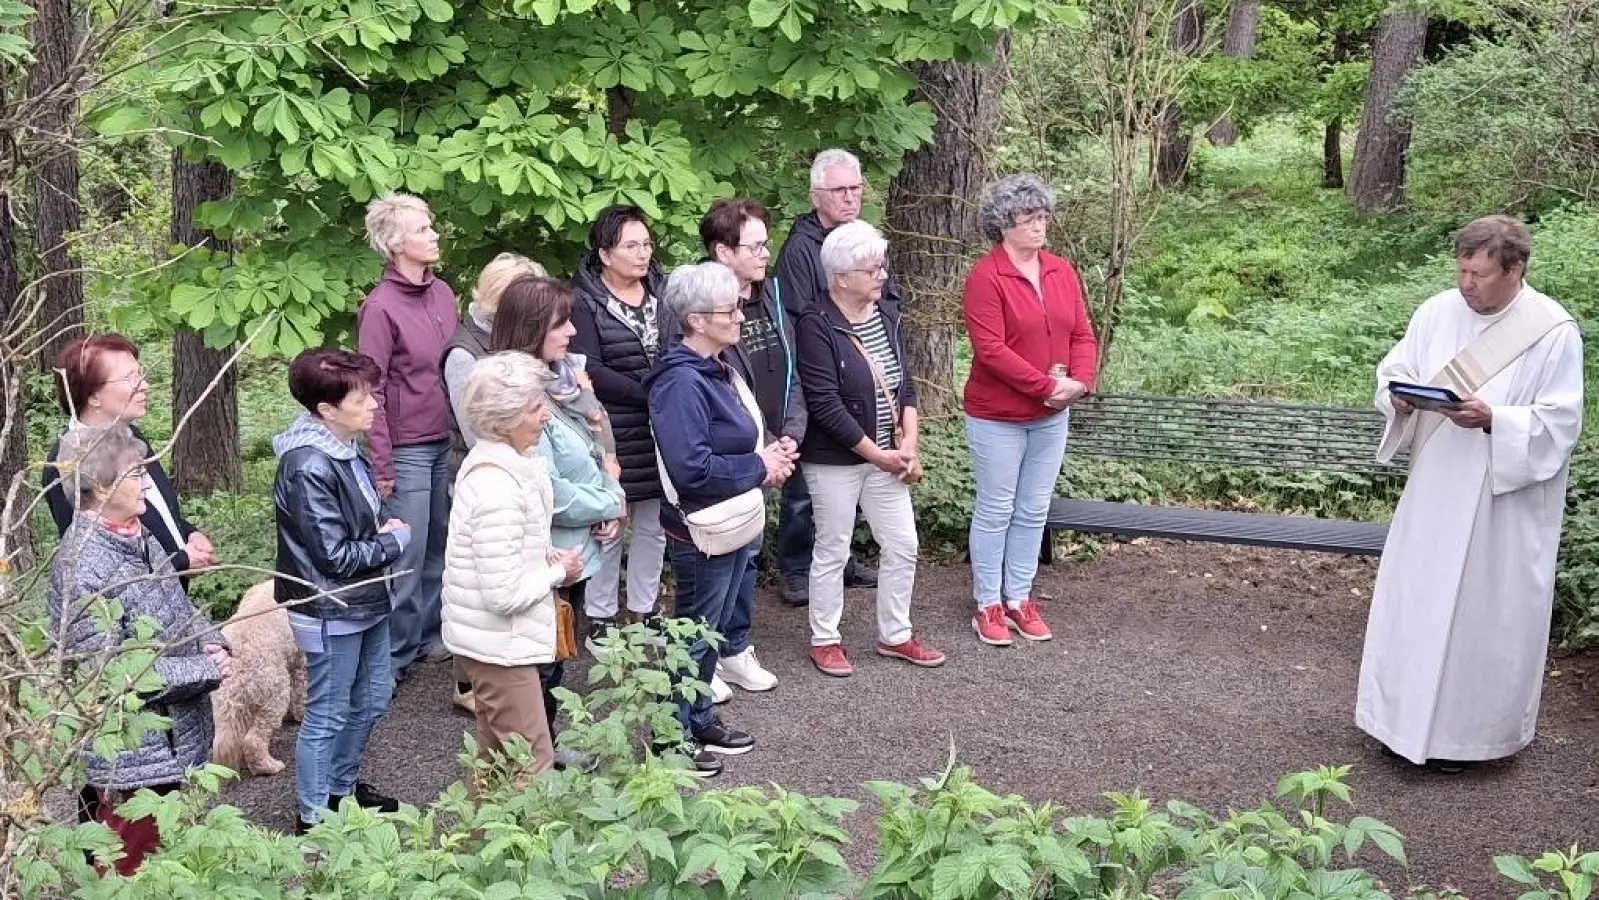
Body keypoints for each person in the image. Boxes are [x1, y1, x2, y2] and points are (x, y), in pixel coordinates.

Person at [1357, 215, 1583, 773]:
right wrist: (1400, 398)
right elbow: (1396, 369)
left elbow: (1560, 423)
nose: (1466, 285)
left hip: (1499, 506)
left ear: (1515, 270)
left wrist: (1493, 420)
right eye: (1461, 271)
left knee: (1482, 618)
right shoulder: (1436, 311)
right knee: (1417, 605)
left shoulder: (1552, 331)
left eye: (1479, 275)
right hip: (1434, 491)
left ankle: (1469, 741)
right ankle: (1398, 724)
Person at [49, 424, 231, 874]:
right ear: (100, 488)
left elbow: (179, 605)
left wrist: (215, 641)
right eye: (136, 473)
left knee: (173, 862)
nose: (147, 481)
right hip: (134, 761)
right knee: (130, 870)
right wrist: (204, 670)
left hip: (172, 745)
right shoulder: (82, 568)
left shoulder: (138, 537)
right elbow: (113, 677)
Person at [644, 262, 798, 777]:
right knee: (693, 629)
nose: (739, 316)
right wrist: (760, 465)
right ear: (694, 320)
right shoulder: (680, 383)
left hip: (733, 516)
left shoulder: (718, 367)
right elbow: (691, 468)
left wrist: (767, 452)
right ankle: (670, 737)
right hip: (701, 526)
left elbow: (736, 437)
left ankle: (700, 716)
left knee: (711, 629)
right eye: (728, 310)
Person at [793, 221, 945, 677]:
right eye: (872, 268)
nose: (883, 275)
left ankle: (895, 634)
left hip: (889, 456)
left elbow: (905, 386)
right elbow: (824, 404)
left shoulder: (887, 316)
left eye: (883, 266)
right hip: (835, 459)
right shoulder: (815, 324)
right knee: (833, 548)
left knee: (903, 544)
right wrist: (875, 454)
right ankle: (825, 639)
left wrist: (909, 443)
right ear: (841, 277)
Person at [273, 348, 409, 834]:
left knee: (373, 697)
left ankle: (341, 790)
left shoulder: (345, 446)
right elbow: (334, 556)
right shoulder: (308, 464)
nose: (374, 403)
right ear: (326, 410)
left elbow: (358, 524)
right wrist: (394, 541)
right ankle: (313, 816)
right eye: (361, 397)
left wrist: (380, 531)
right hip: (330, 606)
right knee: (328, 710)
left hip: (365, 600)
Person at [490, 275, 627, 750]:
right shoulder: (519, 397)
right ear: (531, 328)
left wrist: (609, 499)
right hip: (541, 553)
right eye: (561, 324)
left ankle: (543, 746)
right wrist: (609, 502)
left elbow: (598, 445)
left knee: (555, 657)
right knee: (535, 664)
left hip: (576, 549)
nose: (572, 333)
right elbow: (550, 488)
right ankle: (532, 760)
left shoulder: (567, 377)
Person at [962, 174, 1098, 646]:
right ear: (1004, 225)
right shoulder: (985, 277)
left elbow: (1082, 334)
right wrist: (1046, 386)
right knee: (996, 509)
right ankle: (988, 604)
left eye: (1043, 217)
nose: (1039, 226)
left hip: (1052, 416)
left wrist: (1078, 383)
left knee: (1033, 509)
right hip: (997, 416)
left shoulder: (1062, 271)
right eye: (1028, 218)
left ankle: (1019, 597)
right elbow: (991, 350)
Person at [443, 352, 585, 779]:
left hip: (495, 645)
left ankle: (474, 843)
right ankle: (528, 846)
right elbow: (503, 594)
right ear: (503, 419)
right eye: (534, 408)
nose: (546, 415)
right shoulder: (497, 485)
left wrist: (543, 554)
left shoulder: (512, 465)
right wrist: (560, 573)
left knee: (494, 763)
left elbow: (507, 551)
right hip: (501, 649)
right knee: (532, 767)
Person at [690, 198, 796, 695]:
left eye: (765, 243)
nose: (764, 253)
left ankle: (734, 648)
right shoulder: (700, 310)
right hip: (731, 460)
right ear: (721, 251)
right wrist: (762, 453)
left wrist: (787, 436)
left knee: (749, 553)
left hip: (772, 449)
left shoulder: (771, 295)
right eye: (753, 245)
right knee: (718, 558)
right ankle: (702, 661)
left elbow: (794, 368)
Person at [770, 149, 883, 604]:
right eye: (839, 190)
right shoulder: (800, 249)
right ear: (817, 195)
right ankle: (796, 568)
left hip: (860, 368)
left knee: (852, 468)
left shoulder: (865, 237)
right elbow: (797, 317)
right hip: (813, 372)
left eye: (855, 188)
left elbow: (884, 298)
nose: (850, 197)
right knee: (804, 479)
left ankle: (843, 558)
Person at [358, 192, 460, 680]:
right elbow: (369, 391)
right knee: (408, 553)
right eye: (423, 229)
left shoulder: (442, 293)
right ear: (397, 243)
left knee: (442, 545)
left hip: (448, 442)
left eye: (431, 226)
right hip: (408, 449)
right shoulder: (380, 308)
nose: (434, 234)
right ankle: (391, 658)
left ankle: (426, 638)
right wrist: (381, 466)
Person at [441, 251, 547, 713]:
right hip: (479, 473)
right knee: (480, 584)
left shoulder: (511, 351)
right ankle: (470, 682)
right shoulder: (466, 353)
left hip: (512, 472)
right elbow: (478, 429)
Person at [569, 205, 669, 643]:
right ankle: (601, 613)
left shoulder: (663, 292)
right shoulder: (584, 300)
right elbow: (589, 365)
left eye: (646, 244)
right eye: (631, 245)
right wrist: (647, 391)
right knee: (612, 520)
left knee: (655, 524)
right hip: (611, 425)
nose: (643, 253)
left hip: (663, 426)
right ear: (605, 253)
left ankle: (644, 609)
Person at [42, 334, 216, 576]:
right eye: (129, 378)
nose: (144, 384)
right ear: (93, 396)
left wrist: (188, 533)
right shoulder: (67, 465)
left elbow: (153, 506)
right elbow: (89, 565)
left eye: (140, 374)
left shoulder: (129, 436)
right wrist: (180, 563)